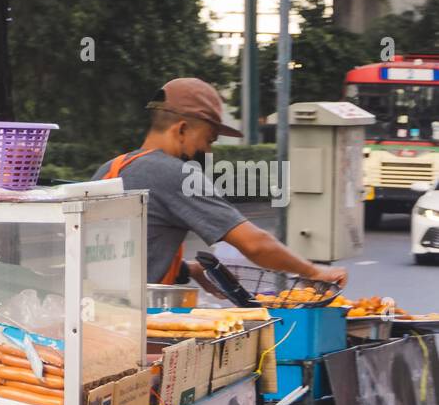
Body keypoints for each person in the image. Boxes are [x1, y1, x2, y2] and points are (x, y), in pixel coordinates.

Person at [91, 78, 348, 292]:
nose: (207, 149)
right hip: (131, 327)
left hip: (96, 315)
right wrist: (314, 271)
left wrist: (188, 269)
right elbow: (255, 244)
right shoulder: (174, 174)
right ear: (181, 129)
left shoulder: (113, 168)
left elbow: (117, 256)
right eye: (208, 139)